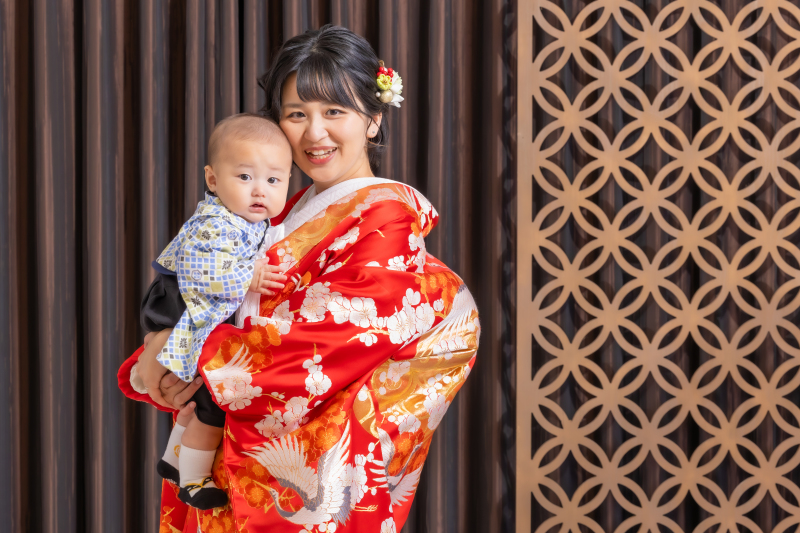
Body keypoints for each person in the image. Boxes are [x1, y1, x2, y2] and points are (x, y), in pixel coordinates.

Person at [119, 25, 479, 532]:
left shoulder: (388, 217)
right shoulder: (284, 209)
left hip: (306, 469)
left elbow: (325, 344)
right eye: (296, 114)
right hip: (239, 451)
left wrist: (189, 357)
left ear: (373, 118)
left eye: (335, 112)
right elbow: (208, 287)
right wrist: (162, 341)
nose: (314, 133)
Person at [129, 113, 293, 510]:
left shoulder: (253, 219)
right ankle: (193, 480)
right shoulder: (215, 222)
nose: (260, 191)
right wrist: (248, 277)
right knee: (212, 406)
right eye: (245, 177)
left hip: (198, 308)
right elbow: (202, 273)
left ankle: (173, 458)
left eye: (274, 180)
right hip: (176, 303)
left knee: (202, 397)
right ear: (213, 179)